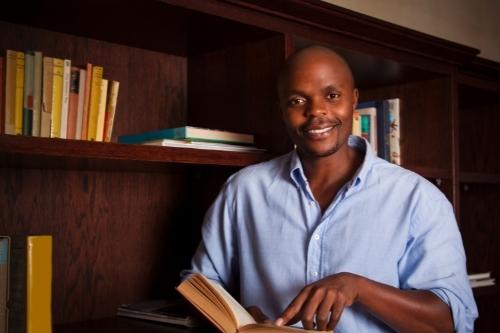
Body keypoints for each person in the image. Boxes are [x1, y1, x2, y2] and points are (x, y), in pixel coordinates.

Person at [182, 45, 478, 332]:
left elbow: (451, 320)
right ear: (282, 110)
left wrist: (359, 288)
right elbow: (200, 285)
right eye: (298, 101)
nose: (317, 111)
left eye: (332, 95)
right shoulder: (243, 191)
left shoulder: (418, 199)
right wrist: (240, 315)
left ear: (354, 100)